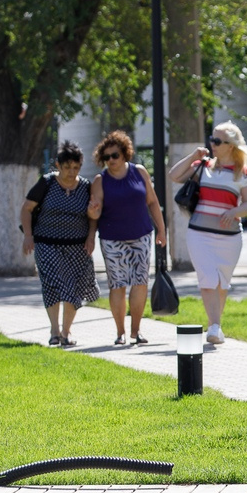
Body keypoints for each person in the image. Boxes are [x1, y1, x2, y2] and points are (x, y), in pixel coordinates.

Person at [168, 122, 247, 344]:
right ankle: (214, 327)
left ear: (230, 145)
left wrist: (236, 210)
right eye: (211, 139)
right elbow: (174, 175)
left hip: (230, 237)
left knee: (222, 282)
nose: (212, 144)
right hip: (199, 233)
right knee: (207, 279)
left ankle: (216, 324)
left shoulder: (244, 173)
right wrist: (193, 156)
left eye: (217, 141)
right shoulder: (204, 165)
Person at [89, 130, 167, 345]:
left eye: (114, 155)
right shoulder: (100, 180)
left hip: (141, 235)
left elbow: (152, 202)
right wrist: (93, 211)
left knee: (140, 282)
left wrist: (162, 230)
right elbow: (94, 215)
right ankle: (120, 332)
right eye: (106, 157)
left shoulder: (139, 172)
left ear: (124, 153)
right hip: (112, 239)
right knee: (117, 285)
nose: (110, 160)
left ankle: (136, 331)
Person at [20, 141, 100, 346]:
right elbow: (26, 209)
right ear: (58, 165)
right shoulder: (46, 183)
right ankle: (54, 331)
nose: (71, 172)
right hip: (48, 245)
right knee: (53, 285)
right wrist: (28, 235)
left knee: (74, 288)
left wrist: (91, 237)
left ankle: (66, 332)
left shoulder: (85, 186)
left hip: (77, 247)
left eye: (76, 167)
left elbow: (93, 216)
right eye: (67, 167)